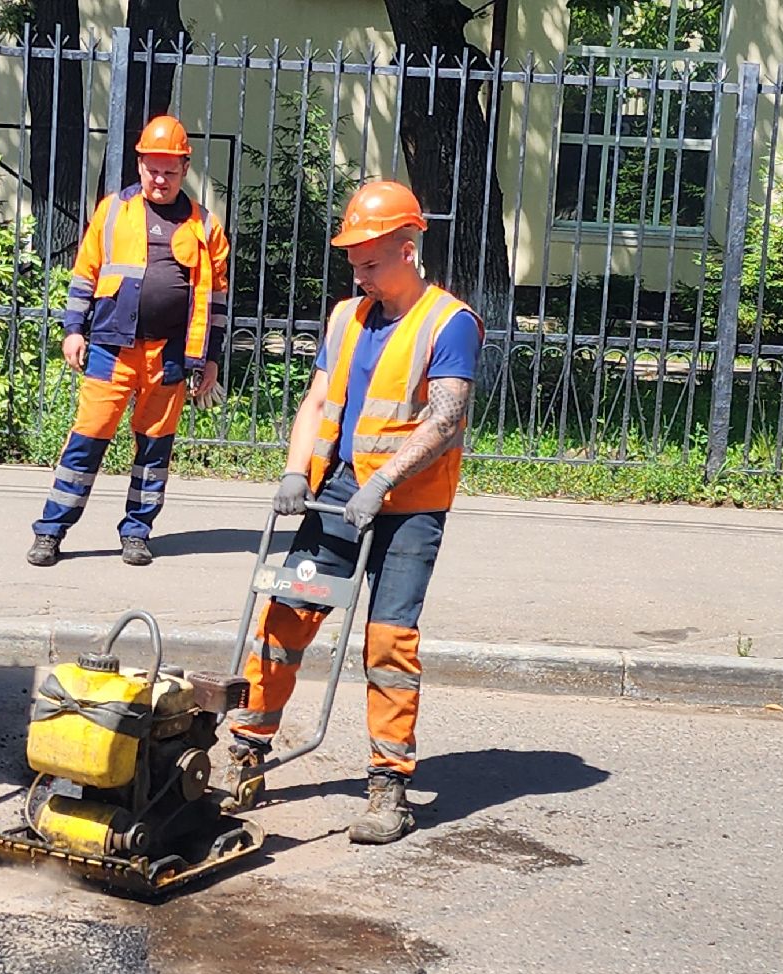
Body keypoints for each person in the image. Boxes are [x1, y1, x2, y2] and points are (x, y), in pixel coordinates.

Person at [221, 180, 478, 845]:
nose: (359, 273)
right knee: (283, 619)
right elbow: (315, 403)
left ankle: (387, 787)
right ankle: (245, 757)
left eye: (370, 260)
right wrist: (292, 470)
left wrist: (385, 481)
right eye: (353, 261)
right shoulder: (345, 318)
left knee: (388, 643)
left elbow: (445, 419)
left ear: (407, 246)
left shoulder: (449, 323)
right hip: (335, 499)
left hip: (408, 509)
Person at [27, 115, 230, 568]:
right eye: (152, 169)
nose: (160, 179)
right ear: (140, 164)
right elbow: (86, 273)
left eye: (170, 171)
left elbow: (215, 301)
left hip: (171, 355)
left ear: (184, 169)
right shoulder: (112, 211)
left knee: (155, 450)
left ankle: (137, 533)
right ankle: (51, 531)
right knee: (86, 440)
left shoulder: (205, 226)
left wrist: (210, 360)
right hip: (109, 348)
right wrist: (73, 329)